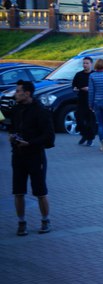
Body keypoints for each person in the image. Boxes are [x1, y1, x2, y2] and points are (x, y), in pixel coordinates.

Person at [8, 79, 53, 235]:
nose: (16, 94)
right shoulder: (16, 109)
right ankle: (21, 222)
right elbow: (12, 127)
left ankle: (45, 220)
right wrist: (12, 136)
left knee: (40, 191)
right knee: (18, 192)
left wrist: (30, 143)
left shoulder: (40, 111)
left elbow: (49, 137)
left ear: (27, 93)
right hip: (18, 156)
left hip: (35, 156)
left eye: (18, 91)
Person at [71, 56, 97, 146]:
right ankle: (84, 135)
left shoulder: (94, 74)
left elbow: (98, 87)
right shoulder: (79, 75)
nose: (85, 65)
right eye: (84, 63)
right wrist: (75, 88)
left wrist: (90, 89)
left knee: (90, 120)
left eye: (87, 63)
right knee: (80, 119)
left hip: (91, 101)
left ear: (91, 64)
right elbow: (74, 85)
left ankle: (90, 138)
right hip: (81, 100)